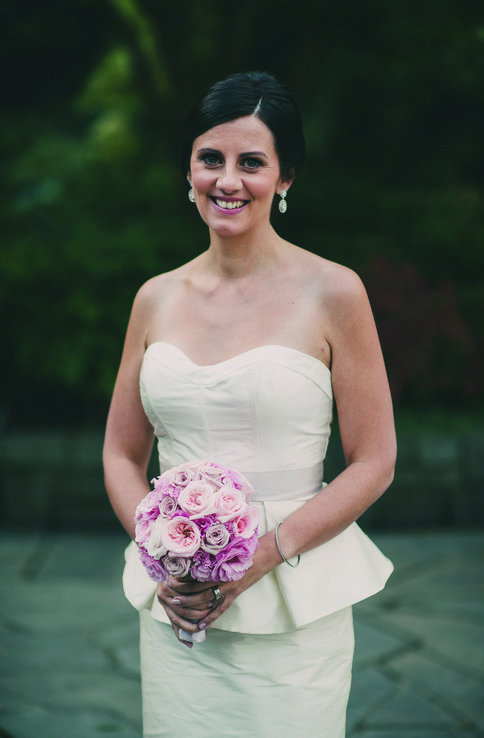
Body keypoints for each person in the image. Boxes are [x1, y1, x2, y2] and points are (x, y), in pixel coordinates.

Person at [103, 71, 396, 738]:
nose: (227, 181)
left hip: (292, 600)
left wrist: (267, 552)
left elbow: (375, 459)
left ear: (285, 177)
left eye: (251, 163)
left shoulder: (335, 293)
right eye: (211, 158)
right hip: (178, 608)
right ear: (189, 169)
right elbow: (122, 453)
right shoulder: (155, 298)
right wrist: (158, 553)